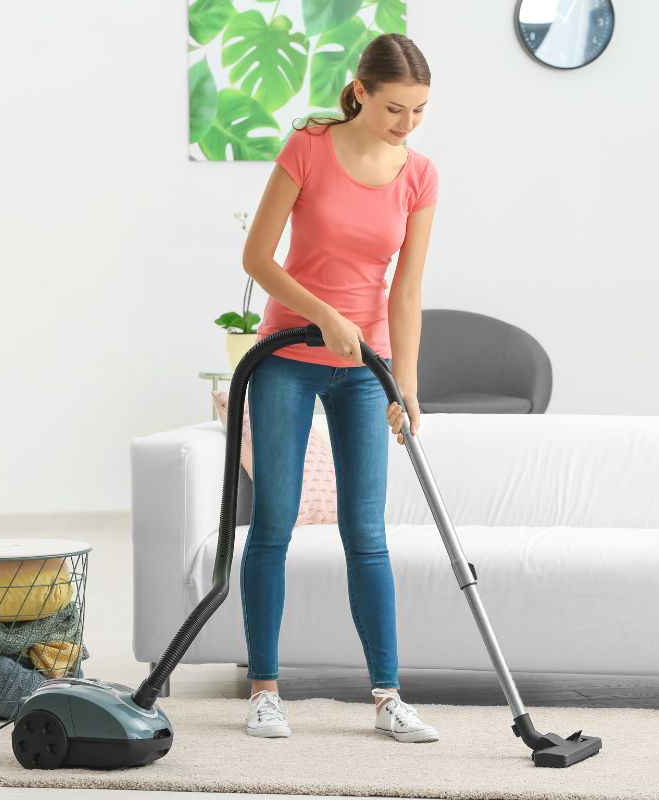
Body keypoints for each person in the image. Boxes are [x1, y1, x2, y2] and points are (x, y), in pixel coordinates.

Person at [238, 32, 439, 743]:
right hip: (289, 353)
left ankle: (387, 697)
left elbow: (407, 289)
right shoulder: (310, 149)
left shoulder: (419, 175)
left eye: (417, 111)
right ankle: (265, 691)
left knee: (367, 534)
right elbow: (257, 256)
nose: (406, 125)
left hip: (367, 367)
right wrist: (322, 315)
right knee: (275, 524)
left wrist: (405, 384)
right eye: (394, 109)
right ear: (360, 90)